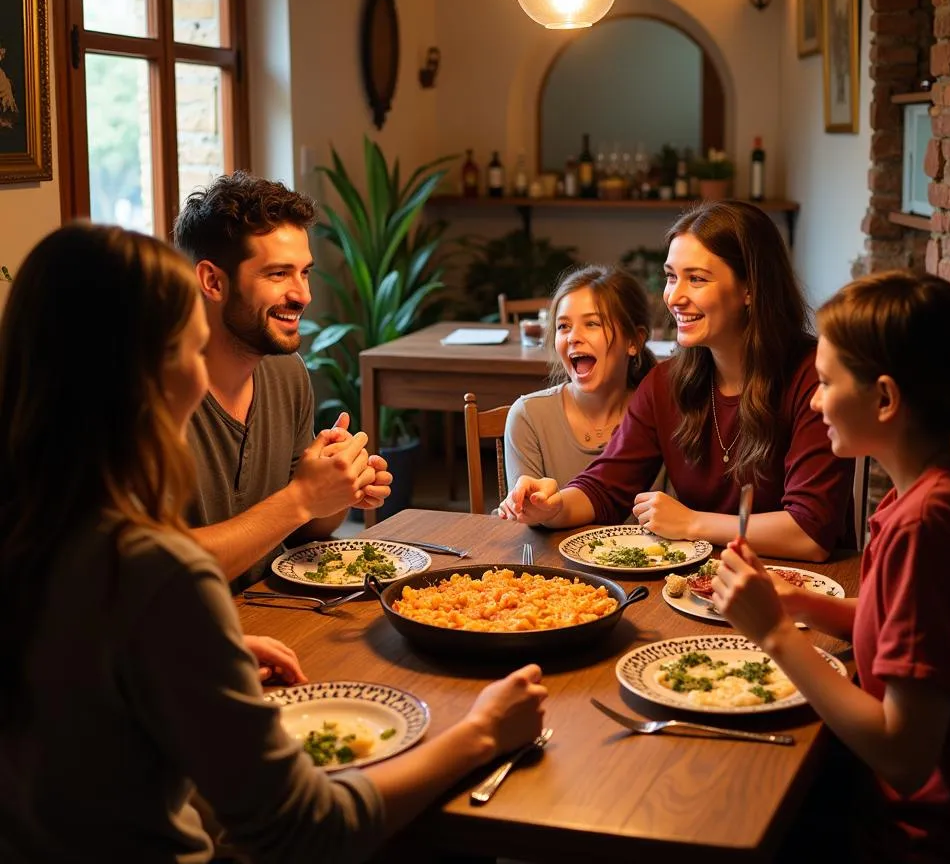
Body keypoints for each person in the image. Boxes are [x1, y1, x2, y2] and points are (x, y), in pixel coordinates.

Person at [0, 223, 548, 862]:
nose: (199, 364)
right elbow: (302, 828)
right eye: (188, 343)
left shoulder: (38, 529)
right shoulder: (153, 571)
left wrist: (209, 644)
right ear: (146, 374)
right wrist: (480, 733)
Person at [713, 271, 950, 860]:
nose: (813, 399)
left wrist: (774, 633)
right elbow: (903, 627)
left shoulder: (930, 526)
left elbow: (904, 758)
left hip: (925, 837)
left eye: (826, 382)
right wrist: (798, 603)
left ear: (884, 398)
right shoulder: (932, 492)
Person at [499, 201, 853, 562]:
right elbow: (605, 487)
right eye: (671, 276)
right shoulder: (666, 384)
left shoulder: (815, 377)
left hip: (808, 591)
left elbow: (810, 533)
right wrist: (552, 506)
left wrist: (693, 524)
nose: (674, 297)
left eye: (696, 278)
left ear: (750, 288)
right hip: (706, 588)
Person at [173, 171, 391, 590]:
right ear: (212, 281)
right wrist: (302, 498)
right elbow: (157, 571)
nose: (302, 295)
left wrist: (337, 488)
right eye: (277, 274)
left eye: (304, 272)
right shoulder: (149, 394)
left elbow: (300, 530)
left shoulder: (286, 373)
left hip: (270, 617)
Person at [503, 265, 657, 492]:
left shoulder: (660, 414)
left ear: (634, 341)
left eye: (592, 323)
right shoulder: (527, 417)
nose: (573, 337)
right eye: (563, 326)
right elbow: (528, 520)